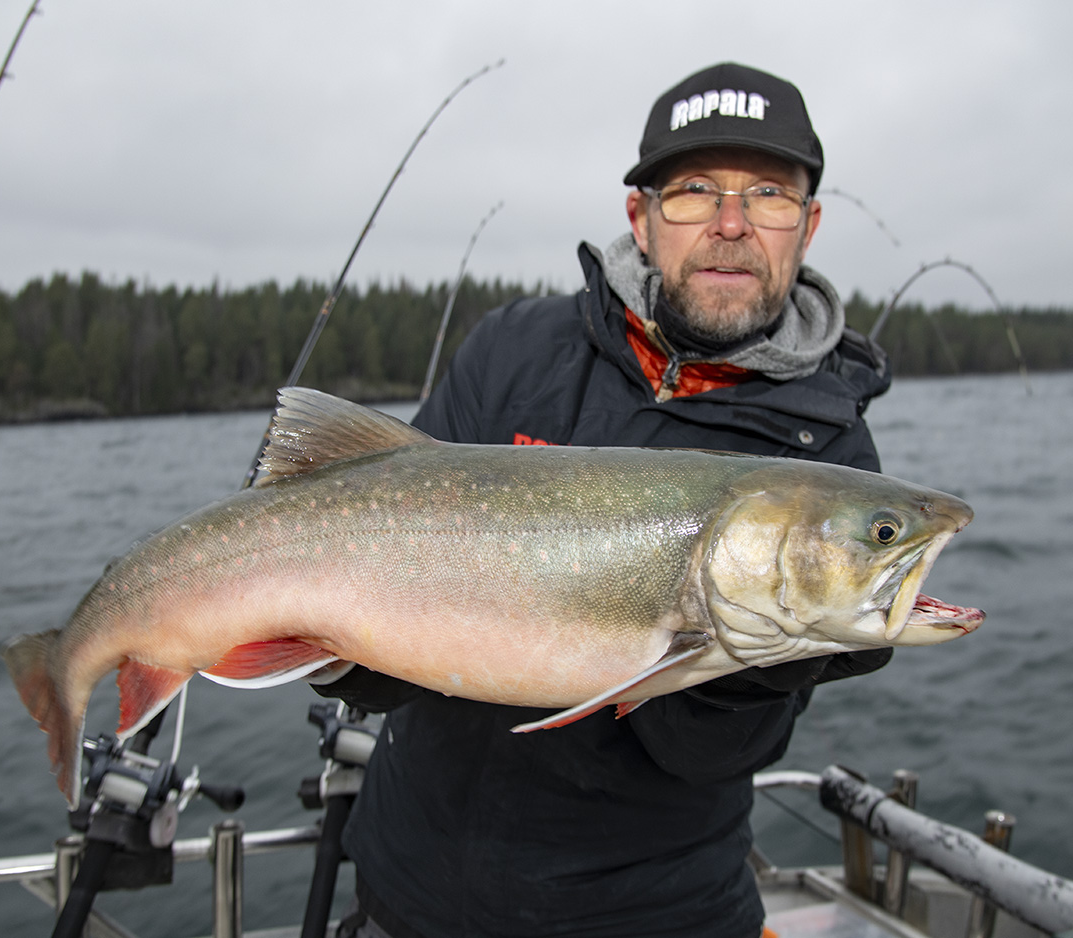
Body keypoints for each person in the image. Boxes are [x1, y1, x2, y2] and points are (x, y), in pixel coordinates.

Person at [323, 61, 893, 938]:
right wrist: (330, 651)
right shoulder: (510, 351)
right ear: (641, 216)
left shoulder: (829, 458)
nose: (732, 225)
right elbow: (379, 670)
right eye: (695, 190)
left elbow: (712, 753)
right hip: (407, 892)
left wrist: (755, 665)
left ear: (807, 226)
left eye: (769, 194)